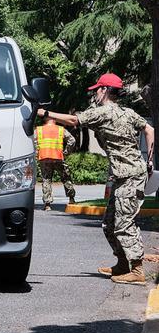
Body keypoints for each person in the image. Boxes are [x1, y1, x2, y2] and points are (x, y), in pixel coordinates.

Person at [36, 73, 155, 285]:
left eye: (97, 90)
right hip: (124, 175)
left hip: (129, 176)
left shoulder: (104, 112)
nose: (94, 94)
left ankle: (137, 270)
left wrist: (43, 112)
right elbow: (149, 129)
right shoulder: (127, 112)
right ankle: (122, 264)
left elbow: (74, 120)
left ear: (105, 91)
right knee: (109, 224)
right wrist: (149, 160)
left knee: (124, 223)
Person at [34, 116, 77, 210]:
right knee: (65, 177)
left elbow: (34, 143)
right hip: (58, 157)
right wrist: (66, 152)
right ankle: (71, 198)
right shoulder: (61, 129)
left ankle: (47, 204)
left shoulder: (38, 130)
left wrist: (37, 154)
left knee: (46, 180)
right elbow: (72, 140)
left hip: (44, 158)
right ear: (54, 119)